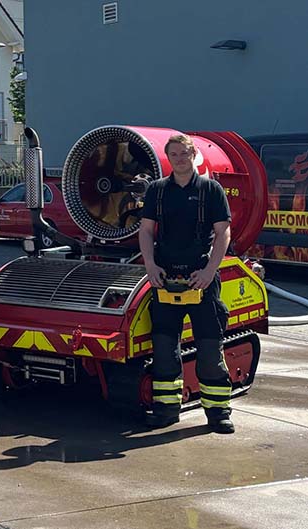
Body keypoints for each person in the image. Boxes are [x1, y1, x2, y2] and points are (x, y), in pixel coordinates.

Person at [139, 134, 235, 434]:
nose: (180, 158)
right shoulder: (157, 191)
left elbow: (223, 234)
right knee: (165, 346)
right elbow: (145, 230)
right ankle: (167, 409)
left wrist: (208, 271)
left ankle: (218, 413)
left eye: (184, 153)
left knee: (209, 347)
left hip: (201, 278)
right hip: (165, 278)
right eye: (174, 154)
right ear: (168, 157)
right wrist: (151, 265)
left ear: (194, 155)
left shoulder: (211, 190)